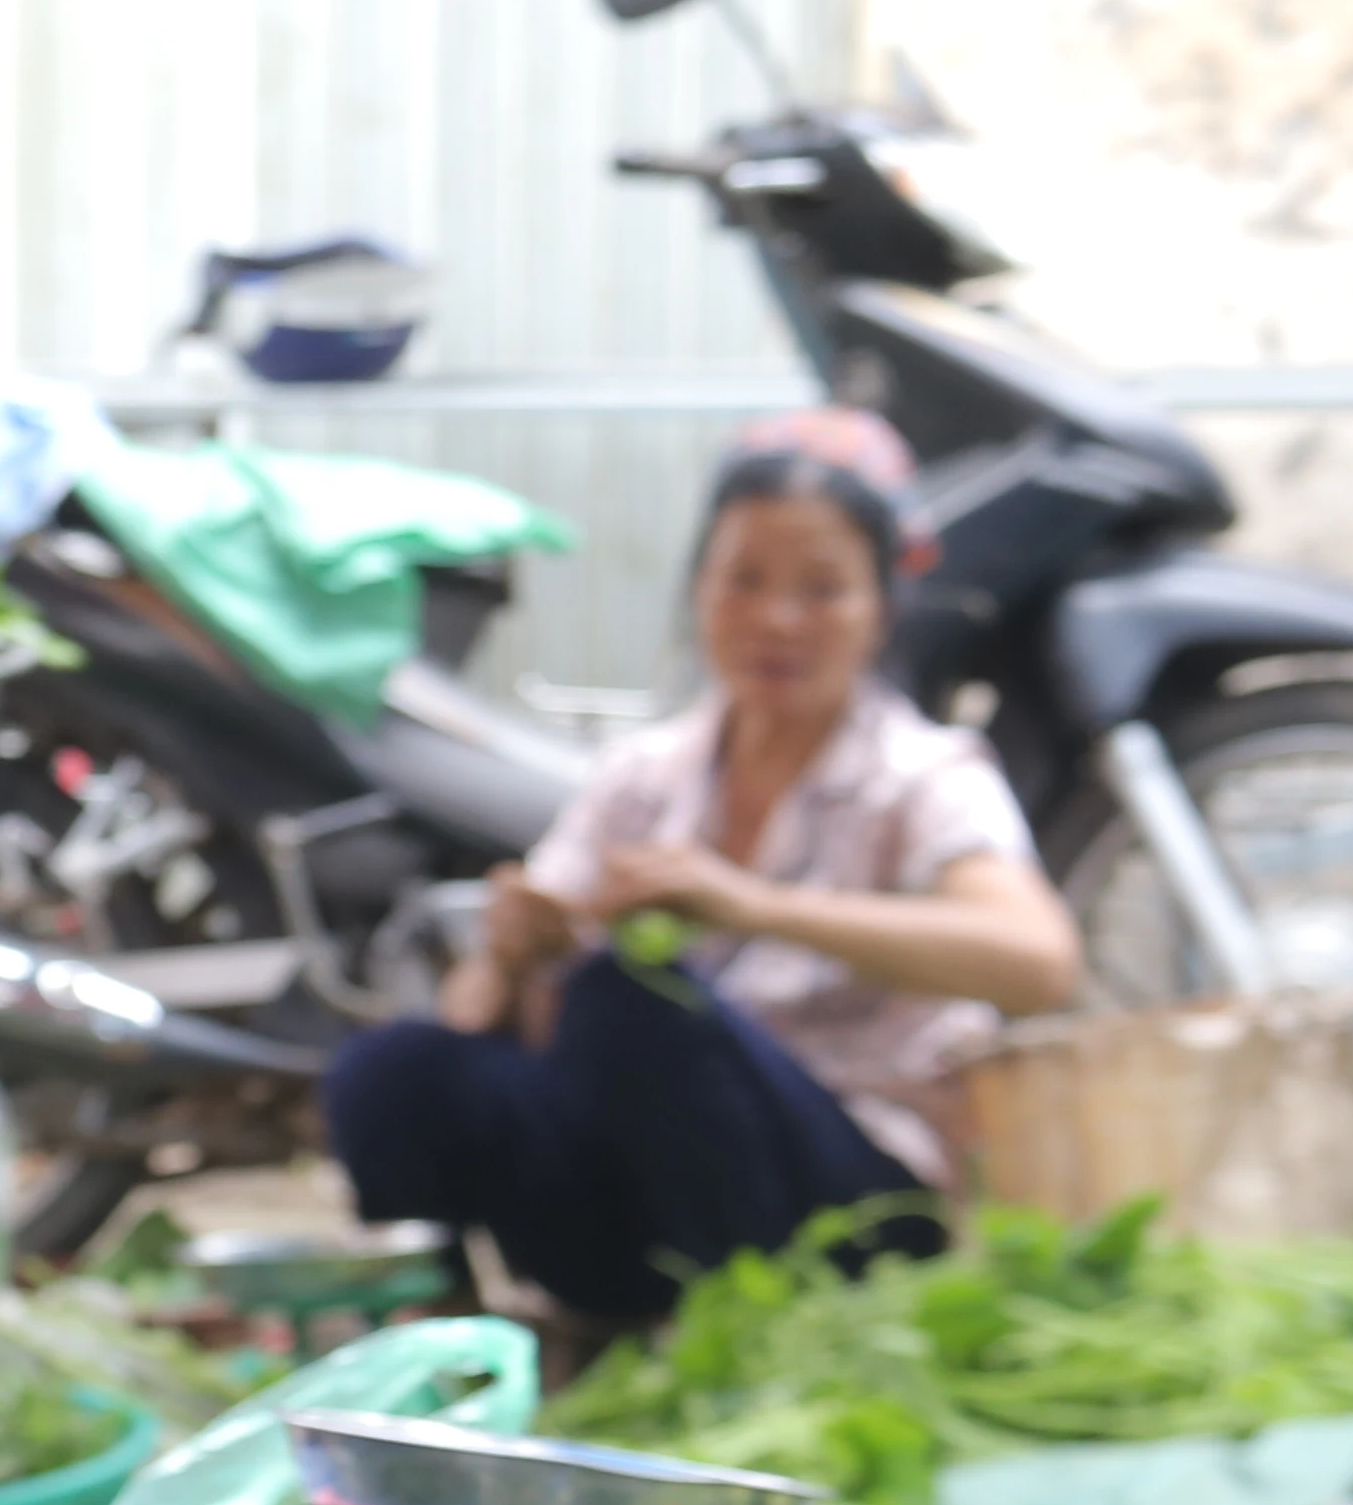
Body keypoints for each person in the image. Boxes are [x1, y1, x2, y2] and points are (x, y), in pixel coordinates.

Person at [323, 425, 1088, 1323]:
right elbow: (472, 1016)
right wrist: (514, 954)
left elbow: (1038, 963)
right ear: (699, 590)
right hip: (655, 1210)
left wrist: (755, 907)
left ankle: (745, 1339)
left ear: (880, 609)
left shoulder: (921, 777)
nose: (777, 620)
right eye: (746, 580)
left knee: (628, 1002)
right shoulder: (643, 777)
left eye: (821, 589)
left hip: (849, 1204)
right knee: (395, 1068)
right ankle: (452, 1346)